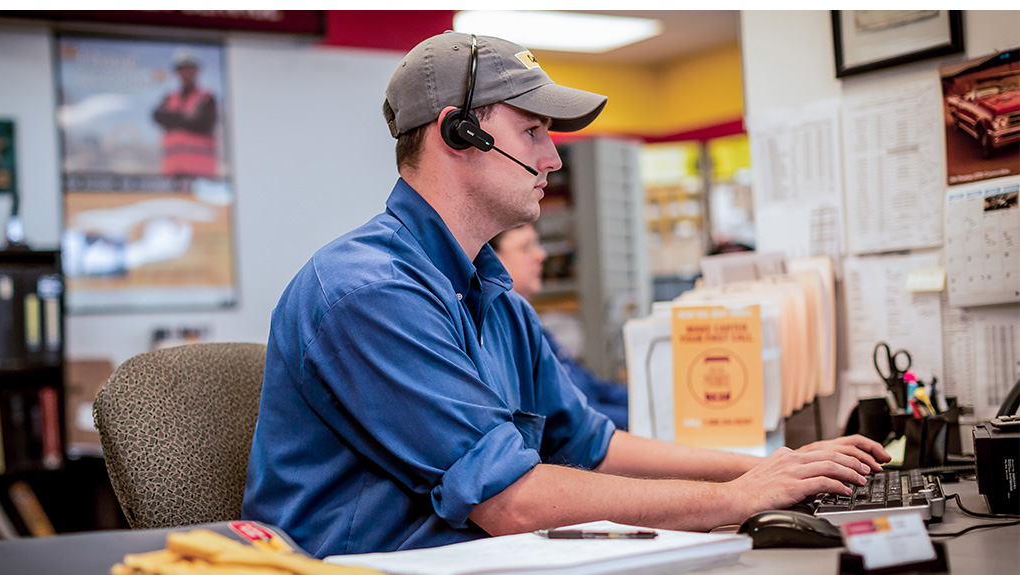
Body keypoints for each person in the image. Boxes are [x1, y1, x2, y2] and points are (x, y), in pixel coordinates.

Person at [242, 32, 889, 559]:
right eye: (533, 132)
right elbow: (513, 500)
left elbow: (593, 445)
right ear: (457, 132)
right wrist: (735, 497)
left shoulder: (491, 293)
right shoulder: (368, 292)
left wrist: (767, 466)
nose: (552, 158)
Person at [489, 223, 629, 430]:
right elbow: (568, 420)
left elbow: (592, 388)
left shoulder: (531, 325)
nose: (541, 255)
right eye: (526, 247)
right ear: (490, 259)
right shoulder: (502, 338)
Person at [152, 48, 218, 178]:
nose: (187, 73)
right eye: (182, 69)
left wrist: (173, 118)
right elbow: (157, 116)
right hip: (172, 171)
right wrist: (185, 118)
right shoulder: (169, 98)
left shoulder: (207, 97)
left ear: (197, 71)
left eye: (190, 68)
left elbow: (203, 123)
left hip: (201, 173)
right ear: (178, 72)